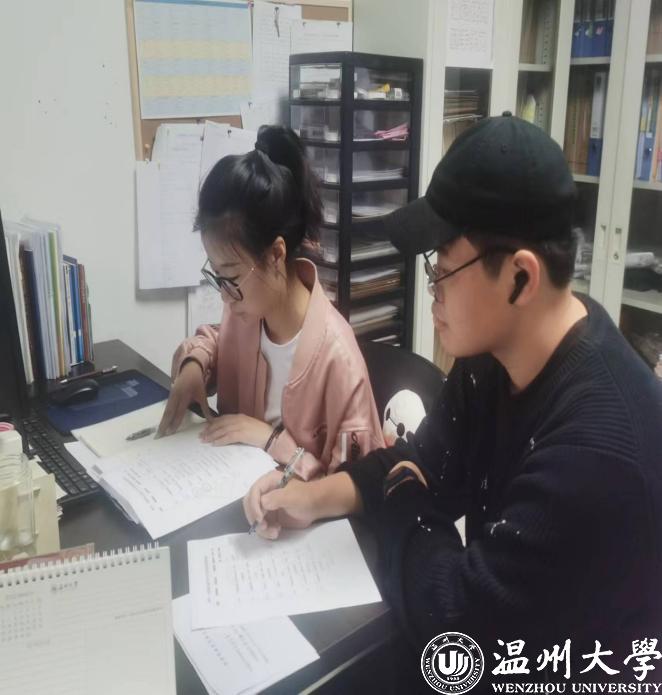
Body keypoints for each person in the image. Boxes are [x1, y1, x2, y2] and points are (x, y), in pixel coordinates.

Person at [243, 114, 662, 688]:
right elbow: (418, 464)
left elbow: (453, 620)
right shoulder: (496, 357)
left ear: (520, 278)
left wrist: (407, 499)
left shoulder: (595, 457)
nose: (431, 290)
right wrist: (310, 499)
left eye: (442, 268)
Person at [158, 125, 384, 486]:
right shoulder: (246, 310)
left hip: (293, 516)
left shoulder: (337, 359)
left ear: (276, 254)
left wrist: (270, 439)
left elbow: (356, 489)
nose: (225, 295)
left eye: (231, 276)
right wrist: (194, 364)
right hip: (230, 495)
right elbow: (217, 341)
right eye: (217, 276)